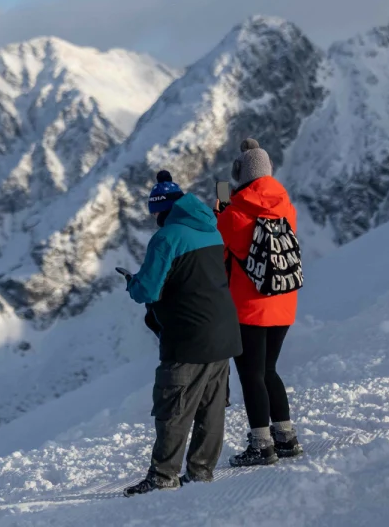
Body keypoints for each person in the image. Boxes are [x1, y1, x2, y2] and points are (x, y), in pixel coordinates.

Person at [122, 170, 243, 496]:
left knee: (173, 404)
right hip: (224, 333)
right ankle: (201, 472)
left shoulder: (166, 237)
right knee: (211, 406)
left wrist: (132, 281)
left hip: (188, 336)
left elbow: (147, 289)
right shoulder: (212, 231)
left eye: (154, 213)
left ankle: (163, 476)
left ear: (161, 209)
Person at [216, 138, 304, 467]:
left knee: (251, 374)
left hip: (250, 307)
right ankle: (286, 437)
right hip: (284, 302)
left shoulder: (235, 214)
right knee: (269, 370)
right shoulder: (286, 208)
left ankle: (261, 444)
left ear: (241, 173)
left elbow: (221, 258)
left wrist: (221, 211)